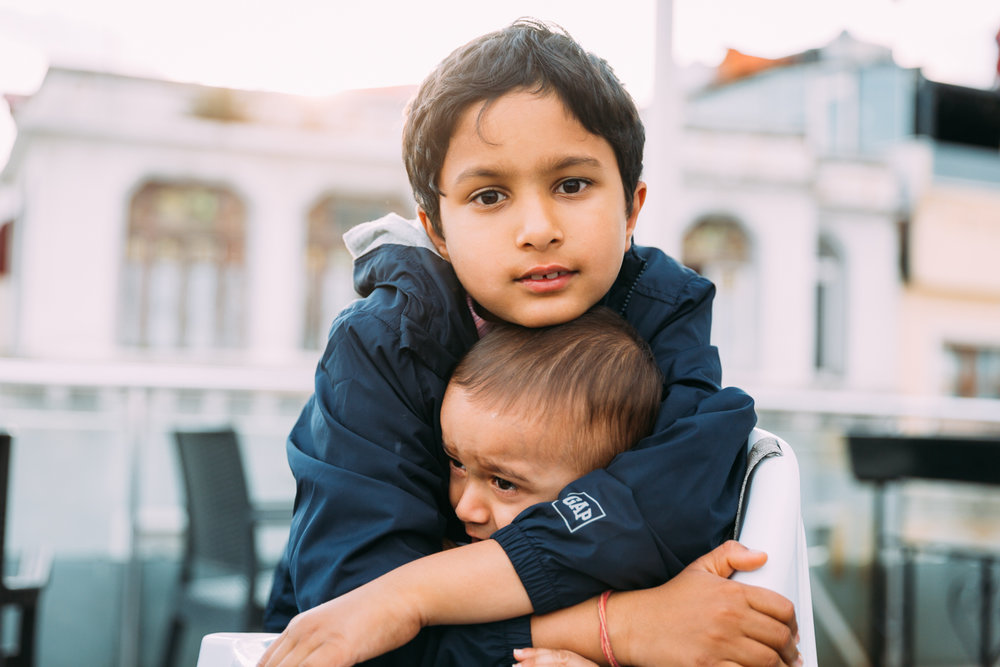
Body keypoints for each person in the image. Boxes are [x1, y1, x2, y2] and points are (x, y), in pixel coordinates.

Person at [263, 18, 799, 666]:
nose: (538, 228)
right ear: (436, 228)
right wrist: (617, 628)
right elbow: (352, 619)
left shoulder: (662, 313)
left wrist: (412, 596)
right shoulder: (382, 346)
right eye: (490, 195)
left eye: (571, 185)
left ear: (632, 208)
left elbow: (673, 504)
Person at [264, 307, 663, 667]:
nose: (465, 508)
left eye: (504, 483)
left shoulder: (653, 587)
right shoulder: (425, 556)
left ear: (595, 491)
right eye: (457, 464)